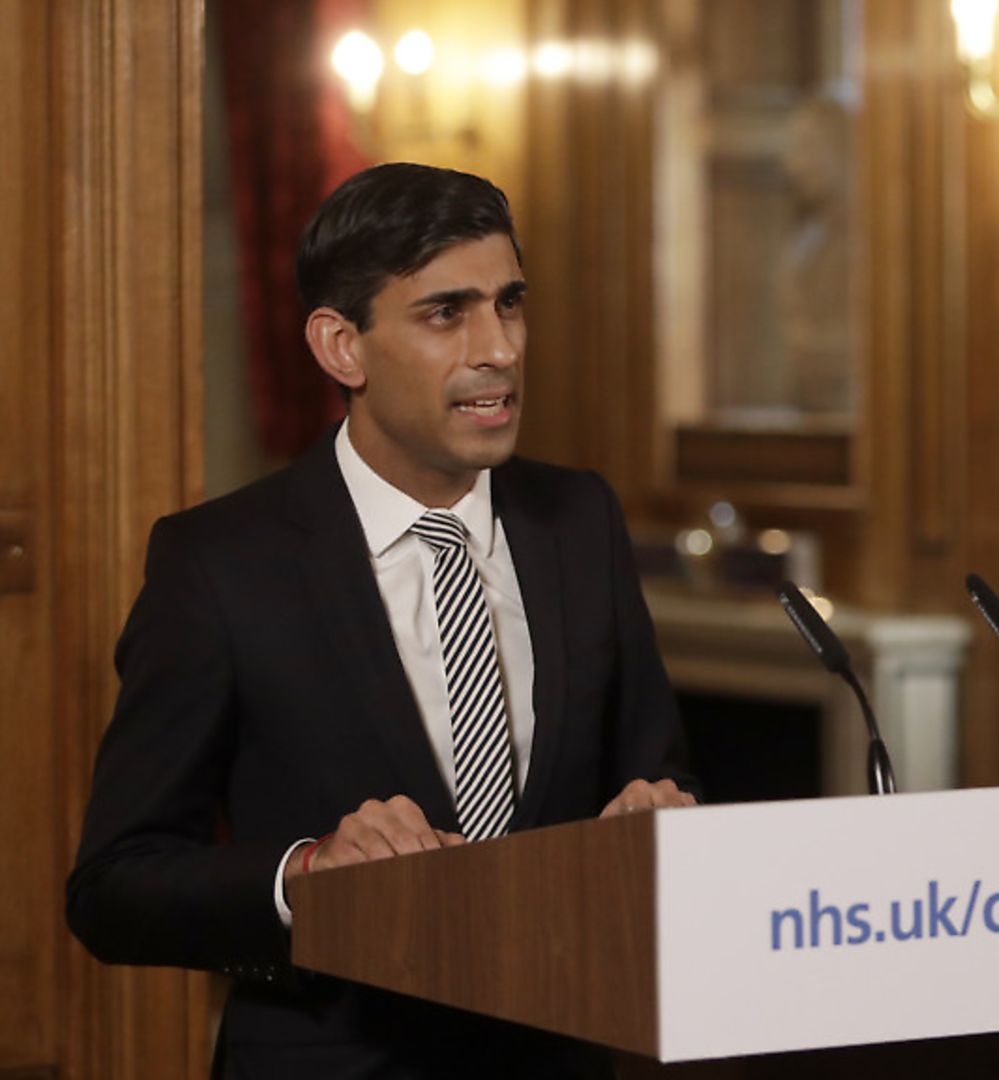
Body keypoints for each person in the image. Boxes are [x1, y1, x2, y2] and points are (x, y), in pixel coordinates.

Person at [67, 163, 697, 1078]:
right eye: (448, 313)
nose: (501, 349)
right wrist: (306, 875)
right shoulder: (218, 565)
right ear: (341, 348)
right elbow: (114, 889)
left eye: (510, 303)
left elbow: (656, 772)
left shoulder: (581, 519)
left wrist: (659, 815)